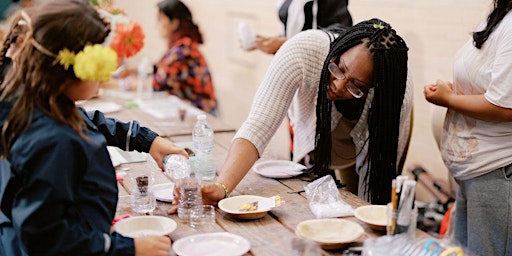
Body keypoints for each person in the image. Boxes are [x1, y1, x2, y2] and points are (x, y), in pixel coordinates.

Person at [0, 0, 188, 255]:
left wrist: (146, 140)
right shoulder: (53, 141)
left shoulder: (43, 106)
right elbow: (46, 240)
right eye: (101, 60)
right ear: (68, 68)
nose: (107, 72)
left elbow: (88, 122)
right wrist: (123, 249)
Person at [177, 18, 412, 210]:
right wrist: (222, 187)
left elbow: (380, 177)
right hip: (323, 142)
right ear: (339, 49)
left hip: (365, 140)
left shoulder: (394, 95)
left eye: (355, 86)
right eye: (338, 67)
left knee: (362, 204)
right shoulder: (303, 50)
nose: (339, 85)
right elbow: (259, 124)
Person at [424, 0, 512, 254]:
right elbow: (491, 85)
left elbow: (505, 107)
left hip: (495, 171)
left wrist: (449, 99)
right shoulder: (499, 16)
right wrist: (455, 93)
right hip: (472, 174)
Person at [153, 0, 218, 116]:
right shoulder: (180, 45)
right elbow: (159, 68)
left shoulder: (184, 49)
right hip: (193, 113)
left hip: (202, 116)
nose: (157, 26)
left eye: (160, 20)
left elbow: (161, 83)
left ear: (174, 23)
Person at [252, 0, 352, 55]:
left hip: (315, 70)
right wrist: (270, 42)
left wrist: (286, 43)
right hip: (291, 63)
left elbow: (340, 34)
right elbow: (296, 31)